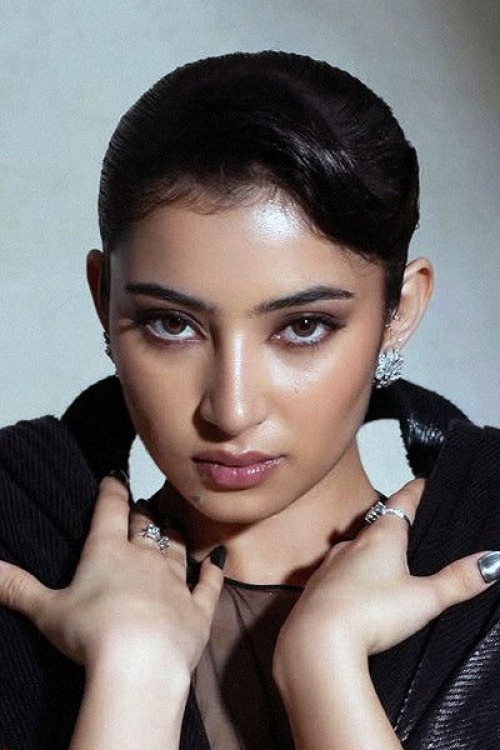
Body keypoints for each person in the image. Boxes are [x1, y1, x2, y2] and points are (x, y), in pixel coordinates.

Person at [0, 51, 499, 750]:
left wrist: (326, 665)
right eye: (171, 324)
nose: (230, 412)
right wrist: (133, 677)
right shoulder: (19, 556)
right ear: (103, 298)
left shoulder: (486, 579)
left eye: (304, 327)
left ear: (400, 310)